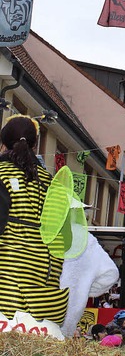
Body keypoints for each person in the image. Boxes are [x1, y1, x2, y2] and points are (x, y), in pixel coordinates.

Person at [0, 115, 69, 324]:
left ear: (3, 143)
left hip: (6, 283)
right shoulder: (52, 183)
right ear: (35, 145)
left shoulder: (1, 173)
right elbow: (62, 237)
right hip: (42, 289)